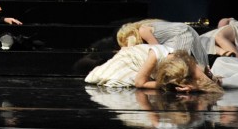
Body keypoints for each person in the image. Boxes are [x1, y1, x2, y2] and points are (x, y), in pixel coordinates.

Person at [84, 21, 221, 91]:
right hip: (186, 34)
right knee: (189, 66)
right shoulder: (147, 27)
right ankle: (204, 77)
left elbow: (156, 48)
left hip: (182, 36)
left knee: (179, 65)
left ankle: (196, 80)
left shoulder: (142, 30)